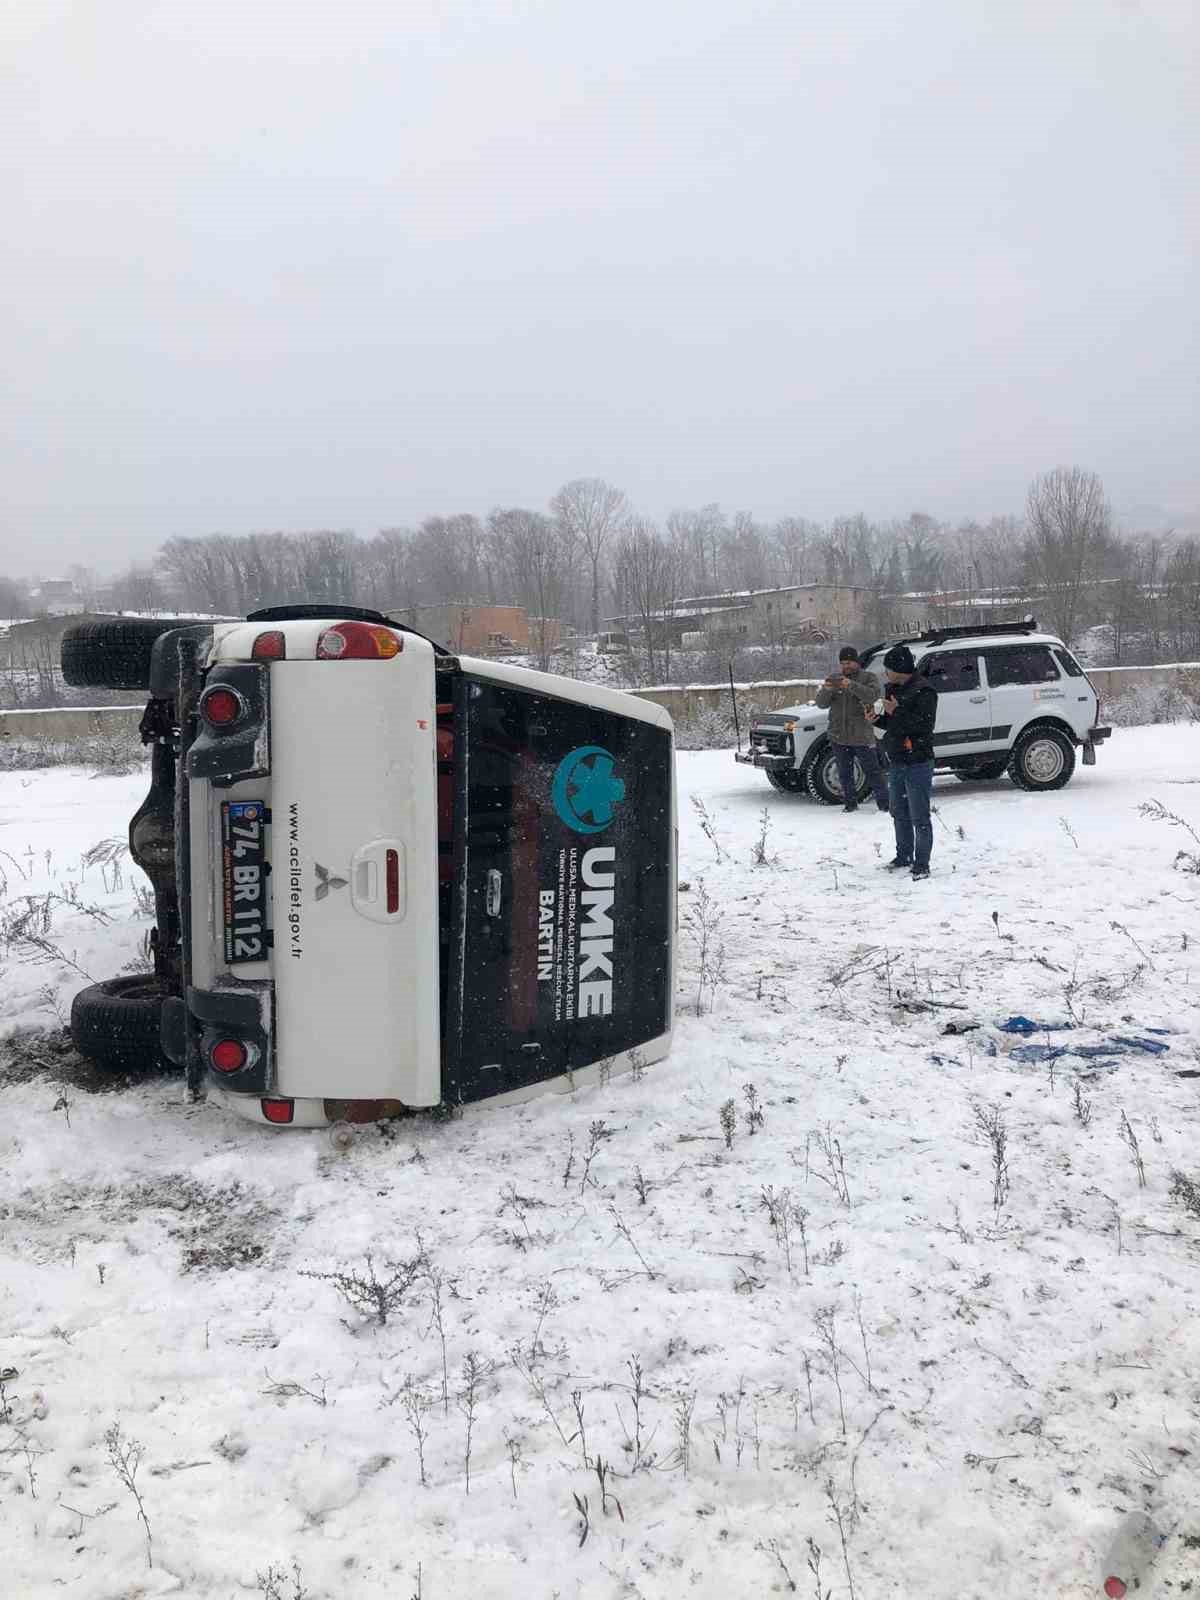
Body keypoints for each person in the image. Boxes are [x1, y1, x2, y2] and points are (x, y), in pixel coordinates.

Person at [865, 644, 938, 880]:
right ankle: (903, 855)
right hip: (896, 759)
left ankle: (922, 863)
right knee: (898, 811)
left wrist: (897, 711)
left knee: (919, 815)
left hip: (917, 761)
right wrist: (877, 719)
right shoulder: (892, 689)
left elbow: (923, 726)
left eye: (888, 669)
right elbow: (892, 724)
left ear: (899, 669)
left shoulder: (925, 691)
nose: (885, 674)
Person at [815, 646, 889, 814]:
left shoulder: (868, 677)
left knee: (873, 772)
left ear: (856, 662)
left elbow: (872, 695)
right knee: (844, 774)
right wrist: (827, 689)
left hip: (861, 735)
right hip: (838, 735)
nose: (845, 666)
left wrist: (851, 685)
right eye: (842, 663)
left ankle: (884, 805)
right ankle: (850, 805)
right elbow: (821, 704)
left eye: (848, 662)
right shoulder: (835, 679)